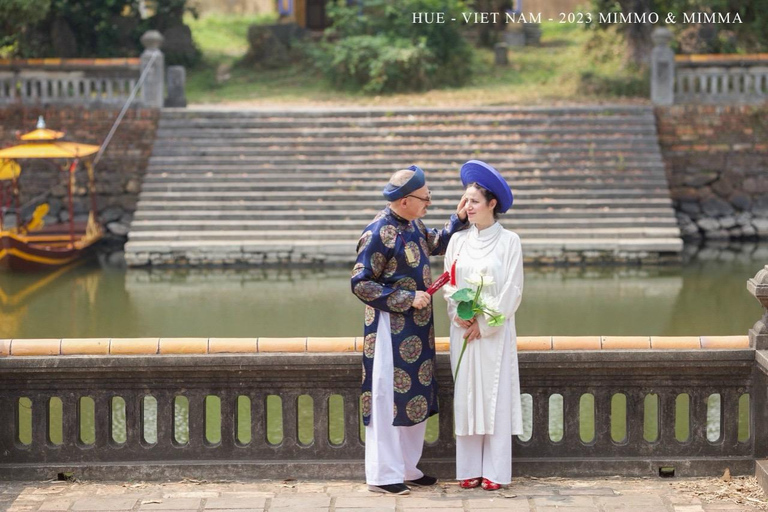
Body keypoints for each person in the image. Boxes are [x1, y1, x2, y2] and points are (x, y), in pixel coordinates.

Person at [351, 165, 468, 495]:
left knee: (414, 398)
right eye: (425, 196)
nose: (429, 201)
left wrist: (456, 221)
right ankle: (382, 474)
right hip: (389, 329)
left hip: (417, 330)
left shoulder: (412, 223)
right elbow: (360, 283)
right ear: (404, 201)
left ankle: (406, 467)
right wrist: (405, 298)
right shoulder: (378, 234)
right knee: (388, 399)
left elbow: (433, 242)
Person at [443, 160, 524, 491]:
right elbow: (448, 282)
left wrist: (486, 323)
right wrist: (459, 314)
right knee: (466, 396)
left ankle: (496, 470)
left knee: (494, 397)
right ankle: (468, 469)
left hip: (494, 334)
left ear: (492, 204)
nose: (468, 207)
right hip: (463, 332)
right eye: (465, 201)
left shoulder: (510, 242)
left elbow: (513, 291)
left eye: (474, 201)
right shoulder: (457, 242)